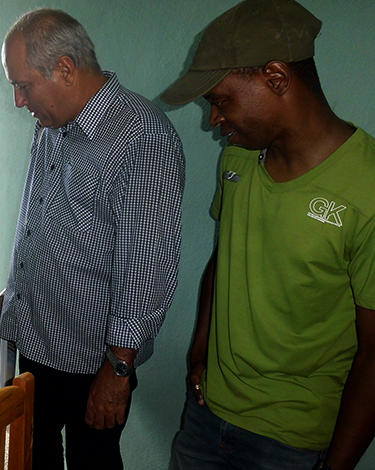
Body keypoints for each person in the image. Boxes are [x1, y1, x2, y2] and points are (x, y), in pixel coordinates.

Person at [160, 1, 375, 469]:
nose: (213, 121)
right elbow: (225, 257)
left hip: (291, 443)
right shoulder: (238, 158)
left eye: (220, 101)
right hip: (205, 417)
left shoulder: (367, 191)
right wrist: (200, 350)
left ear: (276, 79)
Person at [0, 8, 185, 470]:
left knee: (91, 460)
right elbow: (47, 222)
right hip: (36, 337)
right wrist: (15, 293)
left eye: (23, 85)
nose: (19, 100)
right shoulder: (52, 123)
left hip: (93, 359)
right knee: (32, 452)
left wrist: (117, 370)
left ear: (65, 69)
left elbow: (147, 266)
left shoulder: (141, 136)